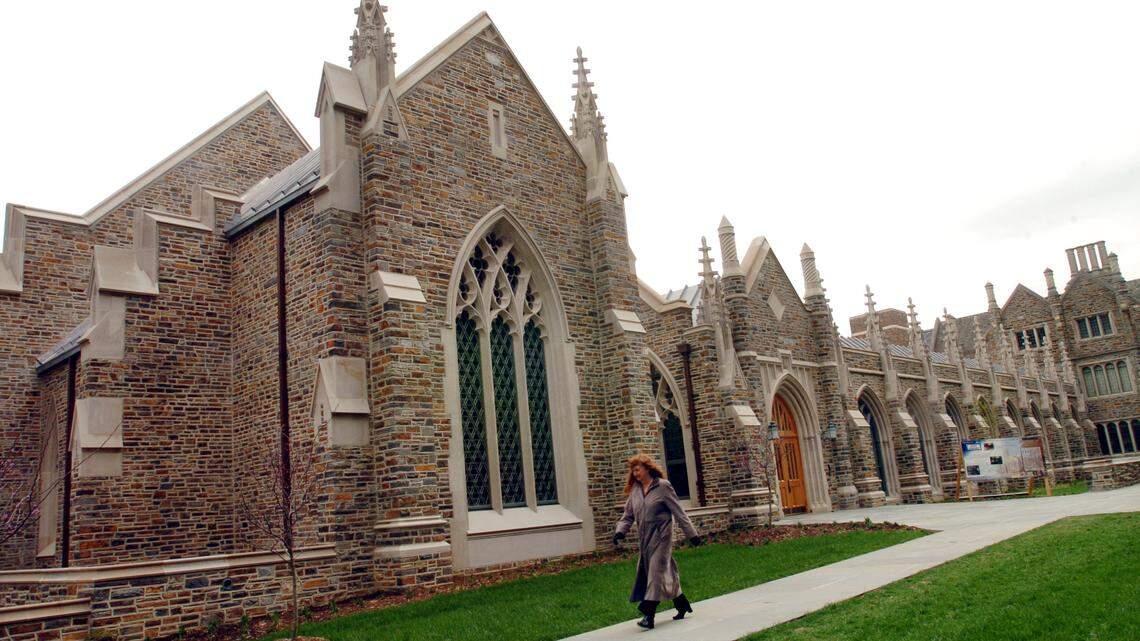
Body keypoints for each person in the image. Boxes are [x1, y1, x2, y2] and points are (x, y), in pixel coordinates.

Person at [612, 453, 702, 630]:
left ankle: (648, 614)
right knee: (662, 572)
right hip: (645, 540)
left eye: (637, 469)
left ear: (647, 468)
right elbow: (628, 516)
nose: (635, 473)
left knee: (654, 573)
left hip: (662, 537)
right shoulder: (636, 491)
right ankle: (681, 603)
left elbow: (679, 512)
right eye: (633, 470)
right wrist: (619, 532)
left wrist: (692, 534)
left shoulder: (663, 487)